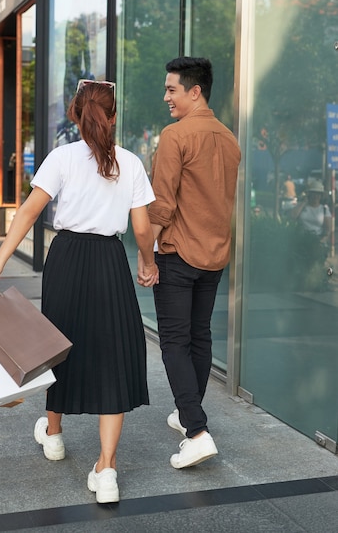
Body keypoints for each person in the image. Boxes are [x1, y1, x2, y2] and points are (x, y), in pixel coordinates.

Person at [0, 79, 159, 504]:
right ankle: (106, 470)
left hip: (68, 258)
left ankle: (53, 434)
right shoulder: (129, 162)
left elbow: (28, 213)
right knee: (111, 356)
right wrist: (147, 263)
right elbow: (143, 228)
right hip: (110, 261)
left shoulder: (62, 158)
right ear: (113, 117)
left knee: (55, 347)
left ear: (76, 114)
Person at [143, 56, 241, 469]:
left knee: (174, 342)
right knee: (199, 337)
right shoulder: (229, 138)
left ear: (194, 91)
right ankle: (189, 415)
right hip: (215, 254)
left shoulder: (175, 135)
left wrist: (146, 255)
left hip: (179, 254)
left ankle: (197, 432)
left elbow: (161, 205)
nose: (166, 96)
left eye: (172, 89)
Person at [290, 179, 332, 255]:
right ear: (309, 194)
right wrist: (304, 203)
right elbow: (292, 216)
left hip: (317, 243)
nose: (315, 196)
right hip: (301, 241)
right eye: (313, 193)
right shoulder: (301, 206)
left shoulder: (324, 209)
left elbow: (328, 230)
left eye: (318, 194)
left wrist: (320, 242)